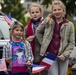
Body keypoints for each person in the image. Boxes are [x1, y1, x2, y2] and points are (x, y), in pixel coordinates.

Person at [36, 0, 75, 75]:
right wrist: (44, 43)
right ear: (52, 11)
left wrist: (65, 54)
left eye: (59, 9)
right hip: (50, 55)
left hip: (63, 57)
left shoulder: (69, 25)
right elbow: (38, 32)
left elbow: (71, 42)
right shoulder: (48, 21)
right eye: (55, 10)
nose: (57, 12)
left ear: (63, 11)